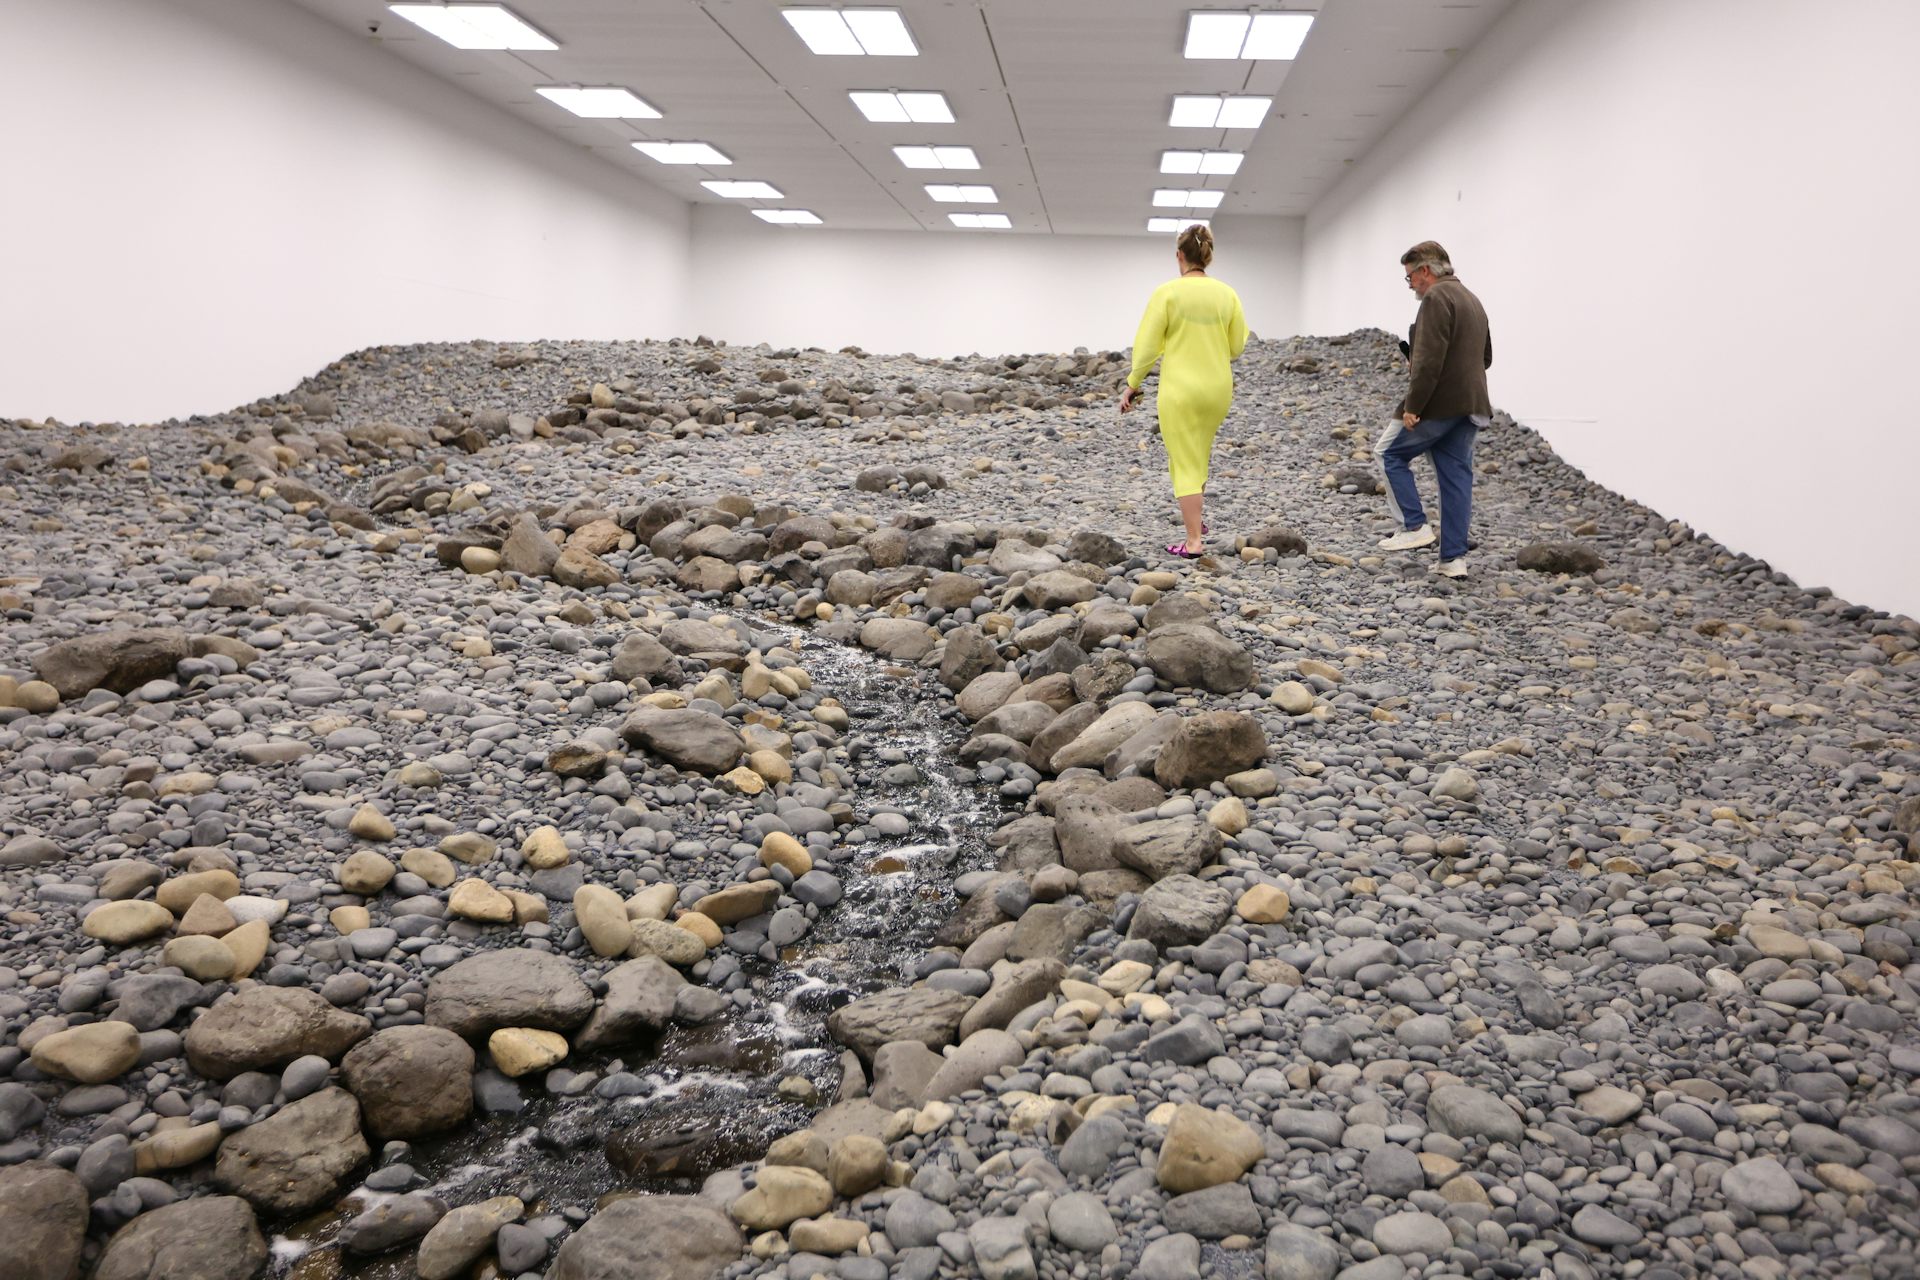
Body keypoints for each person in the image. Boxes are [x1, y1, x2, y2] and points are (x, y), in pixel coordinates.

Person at [1120, 223, 1248, 558]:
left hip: (1181, 390)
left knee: (1184, 461)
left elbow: (1147, 348)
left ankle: (1193, 542)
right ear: (1208, 255)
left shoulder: (1167, 293)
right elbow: (1237, 346)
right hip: (1217, 389)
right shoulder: (1227, 294)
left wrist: (1133, 383)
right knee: (1198, 451)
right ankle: (1197, 518)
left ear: (1179, 255)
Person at [1375, 240, 1492, 578]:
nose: (1410, 284)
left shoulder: (1436, 298)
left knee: (1388, 454)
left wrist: (1414, 406)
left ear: (1425, 271)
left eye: (1410, 276)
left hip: (1439, 404)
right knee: (1455, 479)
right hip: (1472, 404)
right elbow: (1485, 358)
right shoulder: (1472, 299)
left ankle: (1413, 525)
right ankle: (1453, 560)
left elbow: (1428, 362)